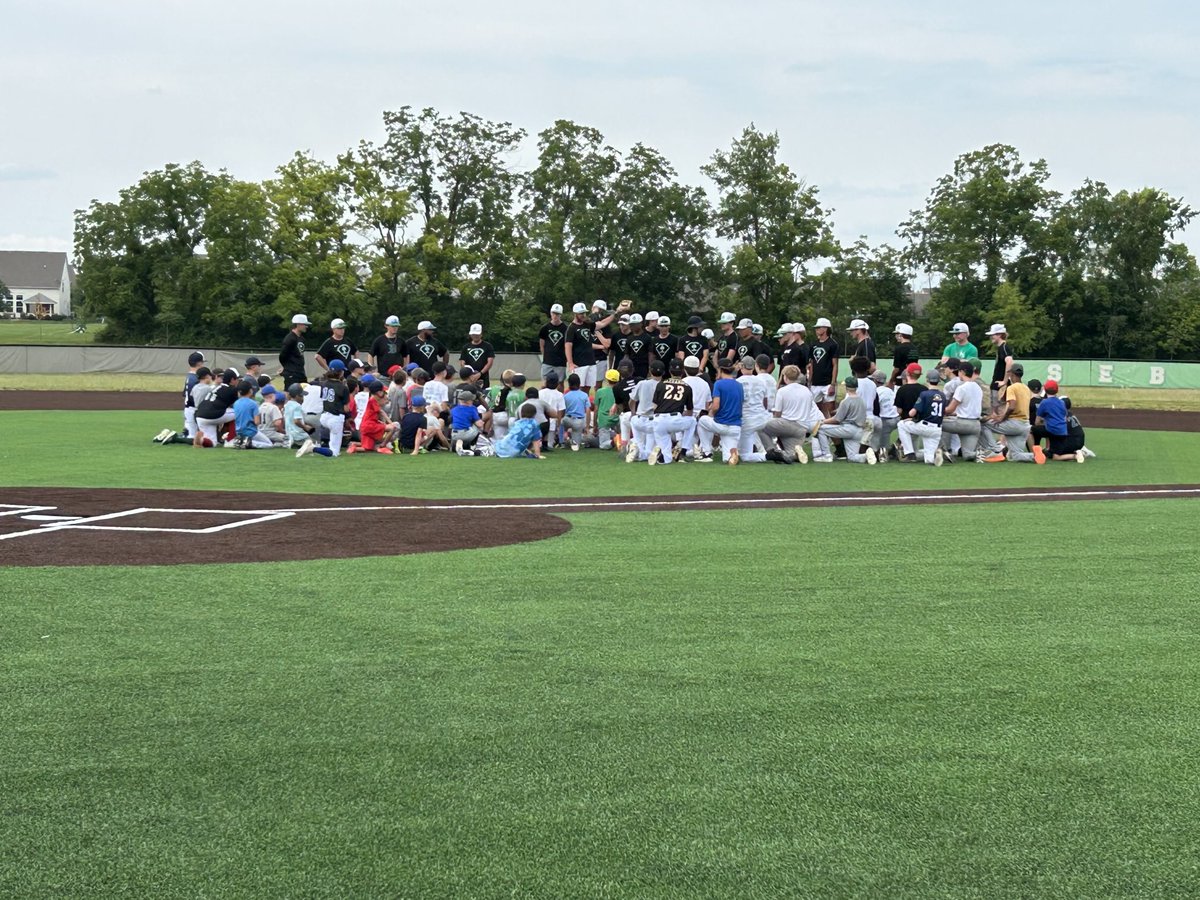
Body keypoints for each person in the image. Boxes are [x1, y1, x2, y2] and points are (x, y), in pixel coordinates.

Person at [979, 362, 1039, 463]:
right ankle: (1034, 456)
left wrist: (1002, 418)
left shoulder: (1011, 388)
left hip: (1014, 423)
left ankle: (995, 450)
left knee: (983, 424)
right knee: (1014, 456)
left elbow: (1012, 406)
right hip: (1025, 425)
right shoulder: (1026, 388)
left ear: (1012, 374)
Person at [761, 365, 822, 464]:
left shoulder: (782, 391)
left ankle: (771, 450)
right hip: (802, 428)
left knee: (760, 426)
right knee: (789, 456)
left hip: (786, 424)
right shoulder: (807, 391)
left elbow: (777, 414)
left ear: (785, 376)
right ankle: (796, 453)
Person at [695, 359, 743, 465]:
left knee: (702, 420)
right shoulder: (739, 385)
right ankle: (733, 454)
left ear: (721, 370)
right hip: (735, 426)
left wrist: (710, 414)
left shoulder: (719, 384)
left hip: (721, 424)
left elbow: (716, 406)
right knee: (727, 459)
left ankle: (707, 452)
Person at [815, 376, 872, 463]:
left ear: (846, 387)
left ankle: (826, 455)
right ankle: (866, 456)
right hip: (859, 431)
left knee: (820, 429)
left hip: (848, 429)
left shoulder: (845, 401)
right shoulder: (862, 400)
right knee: (852, 457)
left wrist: (822, 421)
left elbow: (837, 419)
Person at [649, 358, 696, 464]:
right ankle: (683, 450)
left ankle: (662, 456)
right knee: (692, 421)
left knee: (667, 457)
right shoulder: (687, 387)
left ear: (670, 371)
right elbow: (690, 411)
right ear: (683, 371)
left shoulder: (661, 384)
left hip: (659, 420)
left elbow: (654, 407)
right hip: (675, 419)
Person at [898, 371, 946, 465]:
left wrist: (910, 417)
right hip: (937, 429)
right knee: (929, 460)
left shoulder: (924, 394)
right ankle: (936, 455)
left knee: (901, 425)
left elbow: (912, 413)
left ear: (927, 380)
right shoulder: (943, 395)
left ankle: (909, 453)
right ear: (938, 381)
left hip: (924, 426)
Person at [1032, 380, 1086, 462]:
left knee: (1032, 430)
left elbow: (1037, 422)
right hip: (1062, 432)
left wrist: (1044, 422)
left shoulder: (1044, 402)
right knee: (1055, 455)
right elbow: (1064, 417)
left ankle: (1034, 452)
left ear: (1045, 390)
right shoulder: (1061, 403)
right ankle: (1075, 455)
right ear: (1057, 390)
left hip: (1052, 431)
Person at [625, 360, 664, 462]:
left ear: (650, 371)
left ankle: (636, 449)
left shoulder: (642, 383)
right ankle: (645, 452)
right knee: (651, 446)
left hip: (639, 419)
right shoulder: (664, 386)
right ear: (663, 372)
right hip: (654, 420)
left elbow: (631, 401)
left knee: (639, 442)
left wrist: (633, 413)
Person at [735, 356, 770, 463]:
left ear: (741, 366)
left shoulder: (738, 382)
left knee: (745, 455)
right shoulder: (761, 381)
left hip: (747, 419)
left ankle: (769, 455)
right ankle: (769, 451)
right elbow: (765, 401)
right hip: (762, 416)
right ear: (754, 366)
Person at [193, 368, 239, 448]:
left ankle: (201, 440)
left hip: (200, 415)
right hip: (213, 415)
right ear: (232, 379)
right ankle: (231, 439)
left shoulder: (216, 387)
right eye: (237, 379)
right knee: (239, 412)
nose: (237, 381)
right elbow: (240, 406)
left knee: (212, 443)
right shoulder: (232, 389)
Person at [316, 359, 351, 457]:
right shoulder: (343, 387)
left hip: (324, 416)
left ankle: (317, 445)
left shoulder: (323, 384)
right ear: (340, 372)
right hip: (335, 418)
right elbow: (346, 409)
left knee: (332, 445)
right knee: (334, 452)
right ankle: (313, 448)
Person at [564, 302, 601, 391]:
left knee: (588, 387)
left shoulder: (587, 324)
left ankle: (585, 404)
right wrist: (570, 363)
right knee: (578, 387)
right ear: (575, 314)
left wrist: (614, 314)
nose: (583, 315)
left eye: (584, 313)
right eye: (581, 313)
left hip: (591, 361)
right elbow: (568, 346)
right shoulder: (571, 328)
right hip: (579, 363)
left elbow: (601, 323)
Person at [807, 317, 839, 415]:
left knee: (831, 409)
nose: (816, 330)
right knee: (816, 410)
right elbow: (811, 364)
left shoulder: (833, 344)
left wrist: (833, 384)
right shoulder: (813, 344)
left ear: (825, 329)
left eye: (818, 328)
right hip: (815, 383)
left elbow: (835, 365)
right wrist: (810, 381)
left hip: (827, 382)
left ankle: (833, 428)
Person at [985, 323, 1015, 412]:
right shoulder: (1001, 348)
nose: (991, 337)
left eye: (993, 335)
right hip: (997, 385)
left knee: (999, 411)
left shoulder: (1004, 348)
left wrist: (1005, 381)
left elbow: (1009, 362)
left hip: (999, 386)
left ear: (999, 335)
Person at [539, 305, 569, 382]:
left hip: (560, 361)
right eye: (554, 313)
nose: (555, 316)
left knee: (560, 383)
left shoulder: (566, 328)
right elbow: (542, 344)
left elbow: (568, 344)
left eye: (557, 314)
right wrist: (545, 355)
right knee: (545, 383)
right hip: (547, 361)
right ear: (551, 313)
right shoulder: (545, 328)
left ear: (560, 315)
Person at [459, 323, 496, 388]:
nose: (475, 336)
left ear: (481, 334)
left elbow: (490, 362)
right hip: (469, 378)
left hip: (483, 377)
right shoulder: (466, 347)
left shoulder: (488, 346)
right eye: (473, 334)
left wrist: (480, 373)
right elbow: (462, 361)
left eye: (477, 334)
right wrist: (469, 373)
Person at [279, 314, 310, 388]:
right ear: (298, 324)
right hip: (291, 373)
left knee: (305, 391)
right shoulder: (290, 338)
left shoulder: (302, 339)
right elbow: (282, 356)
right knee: (291, 392)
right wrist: (287, 367)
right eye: (304, 324)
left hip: (300, 372)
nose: (306, 326)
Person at [594, 369, 622, 450]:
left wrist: (595, 425)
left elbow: (596, 410)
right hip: (617, 418)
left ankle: (614, 441)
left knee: (603, 444)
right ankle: (620, 439)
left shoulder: (600, 391)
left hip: (604, 420)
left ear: (606, 379)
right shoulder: (620, 391)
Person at [449, 390, 484, 455]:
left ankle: (456, 444)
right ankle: (473, 446)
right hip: (466, 434)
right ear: (469, 401)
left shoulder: (454, 409)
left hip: (454, 434)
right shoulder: (472, 408)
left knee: (454, 425)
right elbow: (479, 424)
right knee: (478, 426)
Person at [562, 373, 590, 451]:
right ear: (579, 384)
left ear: (569, 384)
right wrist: (587, 426)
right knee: (576, 446)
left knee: (561, 425)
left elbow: (562, 410)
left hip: (567, 419)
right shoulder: (584, 395)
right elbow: (588, 410)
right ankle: (571, 440)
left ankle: (563, 439)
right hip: (579, 421)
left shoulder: (566, 396)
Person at [283, 383, 315, 451]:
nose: (303, 398)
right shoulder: (297, 406)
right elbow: (296, 421)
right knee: (313, 445)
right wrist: (305, 427)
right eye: (302, 396)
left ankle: (293, 444)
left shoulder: (287, 405)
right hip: (299, 435)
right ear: (297, 396)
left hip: (289, 434)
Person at [539, 372, 566, 448]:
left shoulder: (540, 393)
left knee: (539, 441)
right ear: (557, 383)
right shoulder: (559, 395)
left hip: (540, 422)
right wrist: (559, 424)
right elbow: (561, 411)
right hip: (552, 423)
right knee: (549, 444)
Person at [623, 314, 651, 380]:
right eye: (631, 324)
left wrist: (650, 368)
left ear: (641, 324)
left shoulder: (647, 338)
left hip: (643, 366)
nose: (633, 326)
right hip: (632, 366)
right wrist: (624, 365)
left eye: (635, 324)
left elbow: (650, 354)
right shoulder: (629, 338)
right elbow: (626, 354)